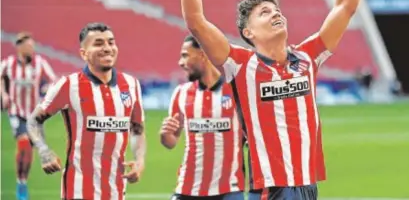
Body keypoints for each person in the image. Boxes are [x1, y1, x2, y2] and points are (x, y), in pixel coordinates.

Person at [173, 0, 377, 200]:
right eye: (265, 12)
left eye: (276, 9)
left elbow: (345, 6)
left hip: (309, 185)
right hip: (271, 188)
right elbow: (196, 22)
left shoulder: (307, 58)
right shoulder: (241, 65)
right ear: (248, 32)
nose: (275, 14)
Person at [26, 22, 146, 200]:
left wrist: (139, 161)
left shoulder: (131, 84)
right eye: (99, 43)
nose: (107, 48)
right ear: (83, 53)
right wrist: (44, 152)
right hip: (79, 190)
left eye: (111, 42)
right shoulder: (69, 85)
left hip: (117, 190)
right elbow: (34, 120)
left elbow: (137, 129)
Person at [160, 35, 245, 200]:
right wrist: (165, 135)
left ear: (203, 54)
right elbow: (171, 141)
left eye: (185, 55)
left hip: (229, 189)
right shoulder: (181, 92)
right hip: (187, 188)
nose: (180, 62)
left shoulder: (236, 90)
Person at [0, 32, 56, 200]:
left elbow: (53, 80)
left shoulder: (40, 63)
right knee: (23, 142)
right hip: (16, 112)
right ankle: (21, 182)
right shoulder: (8, 64)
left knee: (28, 150)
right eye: (28, 46)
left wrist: (48, 89)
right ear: (19, 47)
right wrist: (3, 94)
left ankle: (23, 180)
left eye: (33, 46)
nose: (31, 49)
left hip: (34, 113)